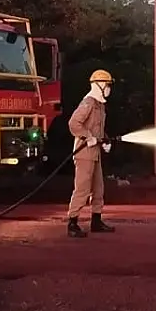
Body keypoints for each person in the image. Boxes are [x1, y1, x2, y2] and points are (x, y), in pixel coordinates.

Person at [66, 68, 117, 238]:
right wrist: (88, 137)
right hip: (84, 153)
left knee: (98, 188)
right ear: (99, 85)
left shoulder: (99, 106)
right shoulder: (88, 103)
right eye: (107, 85)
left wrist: (105, 141)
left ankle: (96, 221)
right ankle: (72, 223)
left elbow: (98, 130)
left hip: (95, 153)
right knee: (82, 189)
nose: (109, 88)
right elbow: (74, 124)